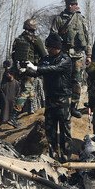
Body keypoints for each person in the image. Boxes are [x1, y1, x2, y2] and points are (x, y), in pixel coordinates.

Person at [22, 33, 74, 161]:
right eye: (48, 47)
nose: (49, 49)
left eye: (51, 47)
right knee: (50, 128)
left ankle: (66, 155)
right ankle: (53, 154)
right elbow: (37, 72)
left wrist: (37, 68)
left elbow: (54, 69)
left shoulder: (65, 59)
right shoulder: (46, 59)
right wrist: (25, 70)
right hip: (50, 98)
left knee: (64, 128)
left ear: (57, 47)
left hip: (63, 99)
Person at [49, 0, 91, 118]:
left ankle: (74, 106)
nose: (75, 6)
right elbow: (52, 36)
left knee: (77, 81)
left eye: (76, 4)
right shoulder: (59, 19)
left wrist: (88, 55)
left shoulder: (81, 18)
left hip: (78, 55)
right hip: (64, 55)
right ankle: (62, 104)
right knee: (62, 81)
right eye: (72, 4)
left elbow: (87, 38)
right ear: (67, 5)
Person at [11, 18, 47, 118]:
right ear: (34, 28)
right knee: (26, 91)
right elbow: (44, 54)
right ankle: (14, 115)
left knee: (30, 89)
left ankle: (32, 110)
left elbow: (13, 55)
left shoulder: (18, 39)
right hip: (30, 68)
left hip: (19, 68)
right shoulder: (35, 39)